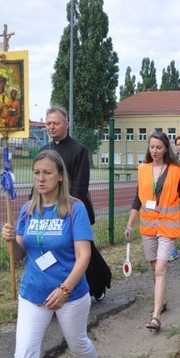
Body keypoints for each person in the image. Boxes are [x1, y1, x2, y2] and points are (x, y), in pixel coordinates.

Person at [0, 150, 99, 358]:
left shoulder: (74, 209)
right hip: (33, 293)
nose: (40, 178)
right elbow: (21, 254)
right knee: (24, 356)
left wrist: (65, 289)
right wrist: (9, 240)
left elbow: (84, 255)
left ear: (59, 176)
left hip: (70, 293)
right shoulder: (27, 210)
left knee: (77, 342)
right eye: (36, 173)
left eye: (47, 173)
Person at [125, 131, 180, 332]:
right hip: (148, 226)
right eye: (152, 147)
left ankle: (156, 316)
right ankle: (162, 301)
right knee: (154, 267)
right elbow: (137, 199)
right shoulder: (143, 169)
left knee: (160, 269)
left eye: (158, 147)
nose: (155, 150)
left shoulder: (175, 170)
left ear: (166, 148)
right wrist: (130, 224)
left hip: (167, 225)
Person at [41, 106, 111, 301]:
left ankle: (98, 284)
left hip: (73, 210)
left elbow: (80, 186)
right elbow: (39, 183)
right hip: (48, 211)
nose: (51, 127)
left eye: (55, 123)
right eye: (48, 124)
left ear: (66, 124)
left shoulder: (79, 150)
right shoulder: (44, 151)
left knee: (82, 252)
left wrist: (66, 210)